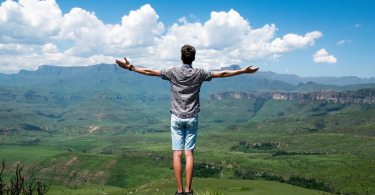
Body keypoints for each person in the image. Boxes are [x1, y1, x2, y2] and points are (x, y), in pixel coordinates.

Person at [115, 45, 259, 195]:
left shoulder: (172, 72)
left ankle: (179, 191)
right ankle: (188, 191)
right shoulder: (200, 73)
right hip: (192, 118)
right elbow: (222, 74)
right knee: (189, 154)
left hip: (176, 117)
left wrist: (130, 67)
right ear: (194, 59)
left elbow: (149, 72)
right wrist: (242, 71)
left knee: (177, 154)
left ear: (181, 57)